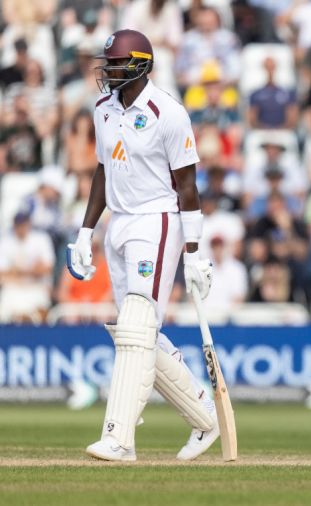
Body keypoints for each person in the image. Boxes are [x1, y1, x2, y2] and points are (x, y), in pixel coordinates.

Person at [64, 30, 218, 462]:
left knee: (136, 325)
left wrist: (194, 251)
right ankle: (205, 417)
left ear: (140, 65)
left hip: (158, 220)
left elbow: (187, 186)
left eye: (115, 63)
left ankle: (119, 438)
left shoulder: (168, 113)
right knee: (139, 334)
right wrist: (85, 231)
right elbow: (102, 170)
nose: (107, 70)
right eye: (107, 63)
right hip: (118, 222)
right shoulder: (102, 108)